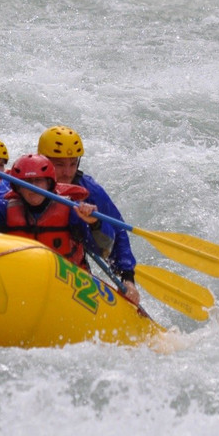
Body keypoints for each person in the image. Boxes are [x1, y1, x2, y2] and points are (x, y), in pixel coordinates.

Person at [38, 125, 140, 304]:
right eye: (59, 164)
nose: (67, 172)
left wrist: (127, 278)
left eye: (72, 163)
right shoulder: (24, 181)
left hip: (68, 272)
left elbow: (118, 231)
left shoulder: (89, 191)